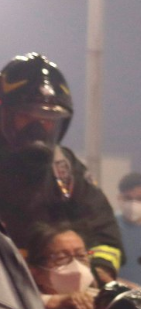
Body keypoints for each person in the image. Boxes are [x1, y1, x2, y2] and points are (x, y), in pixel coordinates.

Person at [0, 52, 123, 283]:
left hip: (61, 296)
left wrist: (96, 273)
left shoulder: (64, 169)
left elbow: (105, 235)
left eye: (47, 119)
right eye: (27, 117)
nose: (37, 128)